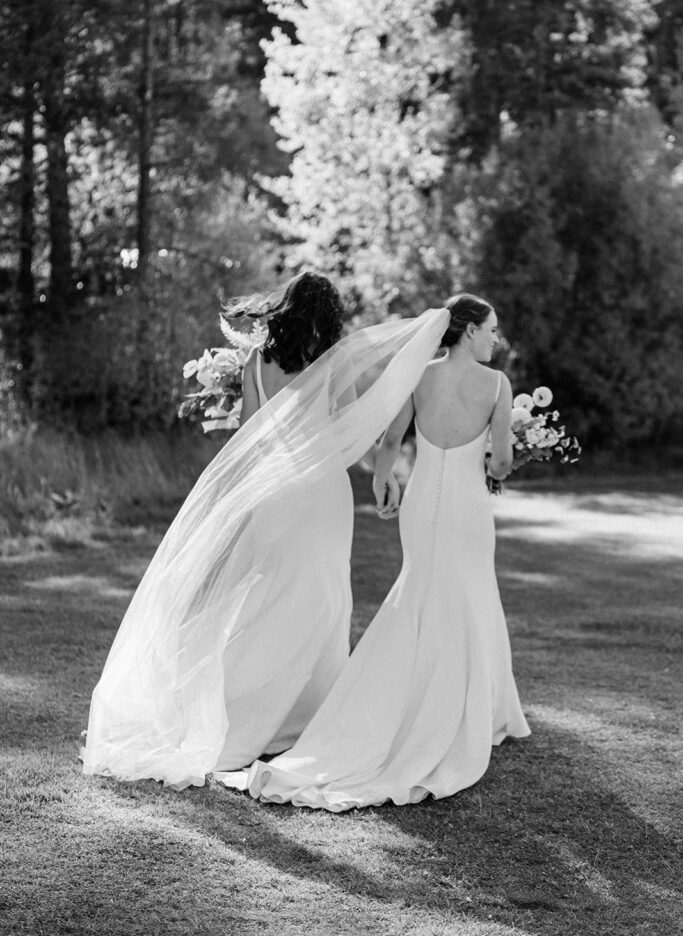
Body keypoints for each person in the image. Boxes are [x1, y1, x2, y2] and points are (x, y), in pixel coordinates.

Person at [82, 273, 450, 789]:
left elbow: (249, 436)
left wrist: (244, 491)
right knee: (321, 598)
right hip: (321, 490)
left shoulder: (258, 361)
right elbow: (347, 426)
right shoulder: (332, 361)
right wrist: (383, 473)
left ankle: (242, 711)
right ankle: (297, 718)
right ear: (329, 315)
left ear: (286, 308)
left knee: (264, 595)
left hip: (273, 489)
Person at [216, 294, 530, 810]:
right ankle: (479, 708)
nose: (496, 339)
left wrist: (386, 481)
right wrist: (508, 457)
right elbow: (498, 463)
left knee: (420, 587)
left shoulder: (421, 376)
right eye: (492, 329)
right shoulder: (497, 385)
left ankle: (398, 694)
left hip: (420, 501)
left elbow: (389, 441)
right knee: (472, 591)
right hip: (466, 506)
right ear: (469, 331)